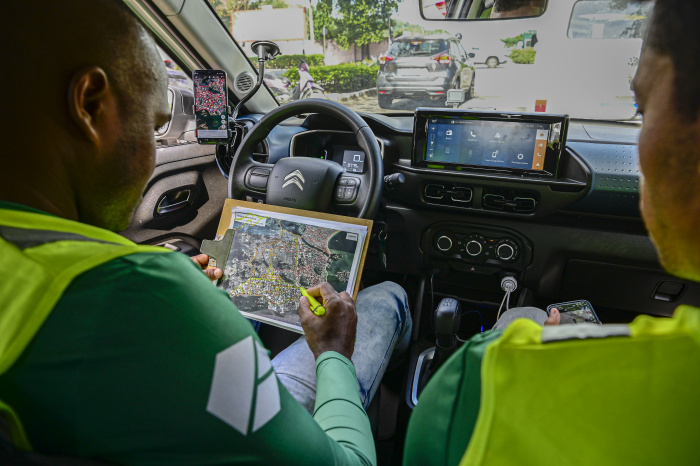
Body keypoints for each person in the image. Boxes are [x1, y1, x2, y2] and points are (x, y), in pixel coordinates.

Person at [0, 1, 411, 464]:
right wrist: (333, 351)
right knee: (384, 298)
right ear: (90, 104)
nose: (153, 153)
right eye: (153, 126)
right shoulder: (145, 296)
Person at [404, 0, 700, 464]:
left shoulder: (490, 376)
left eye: (642, 109)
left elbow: (425, 444)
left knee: (525, 319)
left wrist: (553, 342)